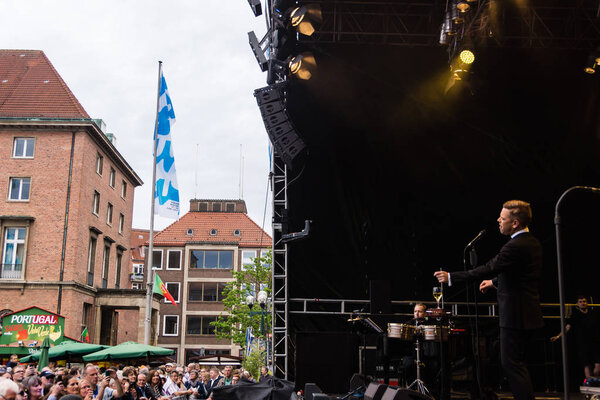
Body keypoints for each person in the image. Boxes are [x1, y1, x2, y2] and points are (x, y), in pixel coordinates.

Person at [434, 200, 543, 400]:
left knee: (513, 366)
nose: (498, 221)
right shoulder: (532, 242)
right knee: (515, 364)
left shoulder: (514, 246)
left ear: (515, 223)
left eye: (502, 218)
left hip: (515, 316)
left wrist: (451, 277)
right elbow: (519, 274)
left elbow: (489, 267)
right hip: (528, 314)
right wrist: (494, 283)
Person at [551, 295, 600, 379]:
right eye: (580, 302)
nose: (583, 303)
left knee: (598, 366)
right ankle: (589, 386)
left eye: (584, 301)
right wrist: (558, 336)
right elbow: (567, 327)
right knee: (586, 365)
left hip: (595, 342)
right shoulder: (575, 316)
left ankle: (594, 383)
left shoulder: (592, 313)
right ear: (577, 304)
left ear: (587, 303)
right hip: (583, 344)